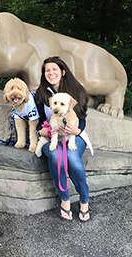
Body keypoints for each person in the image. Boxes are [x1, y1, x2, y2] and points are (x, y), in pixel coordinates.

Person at [35, 56, 91, 222]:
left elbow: (82, 117)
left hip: (73, 133)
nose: (50, 73)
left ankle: (84, 200)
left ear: (63, 72)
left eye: (54, 69)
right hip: (50, 135)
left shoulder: (77, 91)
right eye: (47, 70)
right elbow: (37, 121)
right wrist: (41, 131)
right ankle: (65, 199)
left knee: (72, 157)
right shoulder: (40, 94)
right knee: (56, 156)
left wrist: (77, 129)